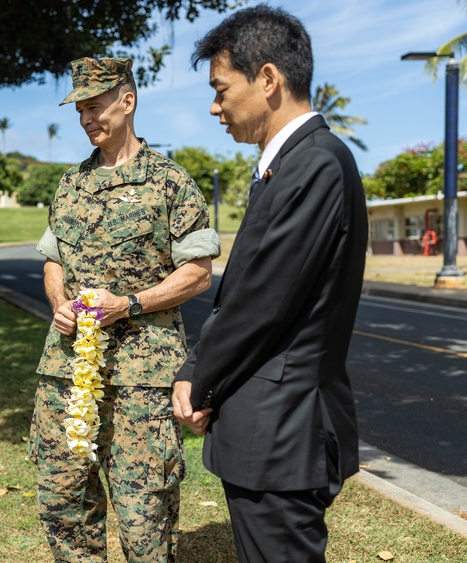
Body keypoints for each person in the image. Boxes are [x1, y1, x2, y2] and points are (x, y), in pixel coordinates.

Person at [172, 5, 368, 562]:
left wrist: (199, 381)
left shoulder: (316, 165)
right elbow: (244, 292)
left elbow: (262, 304)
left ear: (267, 79)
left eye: (220, 88)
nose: (214, 107)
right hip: (268, 433)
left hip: (283, 434)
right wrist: (196, 369)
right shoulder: (289, 166)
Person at [30, 56, 220, 562]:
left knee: (145, 516)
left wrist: (129, 304)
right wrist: (58, 304)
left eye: (96, 107)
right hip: (66, 372)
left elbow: (198, 273)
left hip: (143, 376)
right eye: (80, 111)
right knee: (64, 503)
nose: (88, 119)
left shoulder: (170, 181)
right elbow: (53, 262)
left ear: (127, 101)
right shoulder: (69, 184)